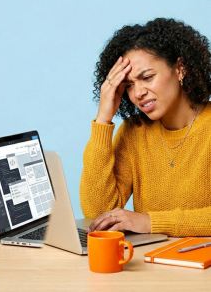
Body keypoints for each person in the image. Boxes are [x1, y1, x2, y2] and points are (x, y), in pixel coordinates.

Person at [80, 18, 211, 237]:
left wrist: (151, 222)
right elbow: (98, 214)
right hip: (149, 265)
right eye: (129, 85)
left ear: (180, 69)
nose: (137, 93)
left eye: (147, 77)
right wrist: (103, 119)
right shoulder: (134, 132)